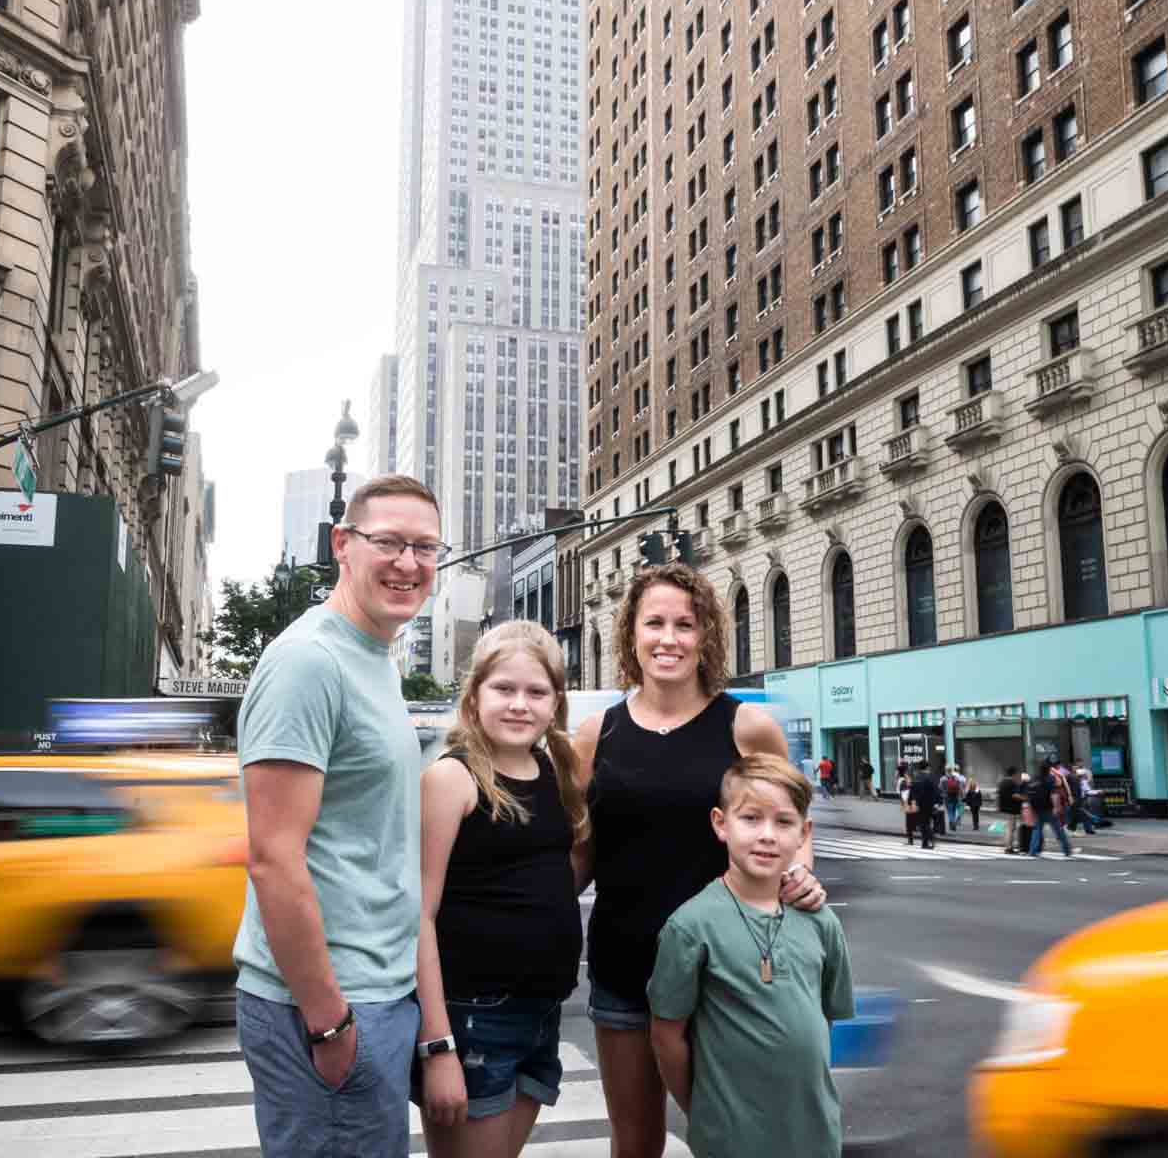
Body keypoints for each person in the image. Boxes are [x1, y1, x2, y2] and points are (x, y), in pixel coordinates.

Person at [572, 564, 827, 1158]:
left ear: (705, 635)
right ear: (631, 635)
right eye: (654, 623)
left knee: (735, 1137)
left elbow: (788, 821)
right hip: (623, 964)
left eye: (684, 625)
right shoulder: (595, 734)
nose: (669, 638)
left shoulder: (747, 727)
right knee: (635, 1142)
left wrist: (799, 873)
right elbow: (581, 853)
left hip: (728, 970)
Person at [234, 474, 444, 1158]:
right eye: (388, 542)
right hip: (326, 1008)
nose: (408, 563)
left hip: (375, 996)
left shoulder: (374, 656)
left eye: (425, 547)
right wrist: (329, 1024)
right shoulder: (308, 662)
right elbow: (273, 858)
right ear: (343, 545)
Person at [415, 621, 589, 1155]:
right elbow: (419, 913)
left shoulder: (555, 769)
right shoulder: (453, 779)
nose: (520, 704)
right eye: (503, 689)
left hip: (542, 1012)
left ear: (556, 701)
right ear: (474, 697)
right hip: (472, 1019)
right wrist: (437, 1046)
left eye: (536, 692)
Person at [648, 754, 854, 1158]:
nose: (767, 836)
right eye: (750, 818)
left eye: (783, 822)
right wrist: (700, 1108)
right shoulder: (690, 926)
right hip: (729, 1135)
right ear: (720, 824)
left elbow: (824, 1018)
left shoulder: (822, 921)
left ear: (803, 833)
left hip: (814, 1133)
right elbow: (666, 1035)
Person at [1026, 762, 1072, 858]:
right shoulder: (1050, 779)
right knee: (1058, 830)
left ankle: (1032, 851)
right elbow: (1054, 794)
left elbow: (1029, 795)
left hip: (1036, 809)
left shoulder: (1033, 778)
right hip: (1048, 809)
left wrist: (1030, 809)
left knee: (1037, 830)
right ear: (1048, 770)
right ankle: (1067, 849)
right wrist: (1056, 807)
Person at [909, 764, 938, 850]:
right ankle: (929, 838)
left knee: (922, 823)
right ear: (927, 768)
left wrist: (913, 802)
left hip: (919, 803)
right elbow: (935, 790)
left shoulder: (917, 778)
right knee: (926, 822)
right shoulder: (930, 777)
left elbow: (913, 790)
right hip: (929, 803)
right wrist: (937, 803)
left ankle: (925, 842)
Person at [996, 767, 1022, 854]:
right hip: (1011, 809)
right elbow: (1014, 795)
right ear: (1014, 774)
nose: (1018, 776)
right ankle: (1009, 847)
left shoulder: (1002, 782)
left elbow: (998, 795)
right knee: (1010, 829)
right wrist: (1024, 798)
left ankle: (1008, 846)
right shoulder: (1012, 783)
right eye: (1017, 774)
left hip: (1004, 808)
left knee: (1008, 828)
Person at [895, 761, 916, 846]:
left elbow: (905, 794)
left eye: (896, 772)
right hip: (910, 802)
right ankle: (910, 839)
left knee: (909, 822)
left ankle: (910, 841)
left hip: (909, 803)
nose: (895, 774)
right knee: (911, 821)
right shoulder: (906, 778)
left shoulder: (902, 781)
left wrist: (905, 805)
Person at [940, 765, 964, 832]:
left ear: (945, 770)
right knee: (953, 810)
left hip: (947, 797)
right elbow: (960, 788)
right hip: (955, 796)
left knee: (950, 811)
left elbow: (940, 788)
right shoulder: (956, 778)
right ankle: (953, 823)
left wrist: (943, 794)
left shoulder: (943, 779)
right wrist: (961, 796)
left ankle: (952, 823)